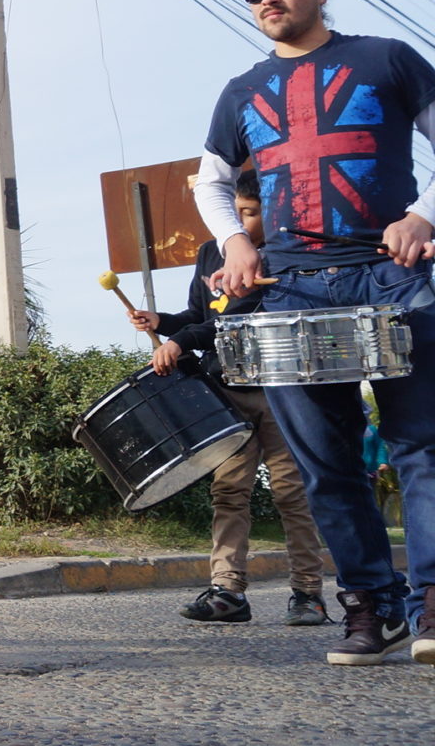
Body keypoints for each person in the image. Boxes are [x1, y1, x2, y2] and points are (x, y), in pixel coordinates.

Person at [193, 0, 435, 667]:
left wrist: (423, 215)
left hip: (389, 276)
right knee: (325, 463)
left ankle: (431, 601)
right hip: (291, 292)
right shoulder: (241, 90)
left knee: (422, 448)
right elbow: (210, 180)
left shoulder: (387, 59)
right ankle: (371, 606)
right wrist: (235, 242)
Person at [126, 170, 328, 626]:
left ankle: (308, 593)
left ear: (274, 212)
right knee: (229, 491)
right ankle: (227, 591)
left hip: (280, 392)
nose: (239, 222)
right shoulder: (208, 253)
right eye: (235, 212)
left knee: (291, 493)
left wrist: (181, 340)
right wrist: (163, 322)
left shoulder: (283, 257)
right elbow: (201, 316)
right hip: (227, 393)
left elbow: (236, 320)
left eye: (251, 214)